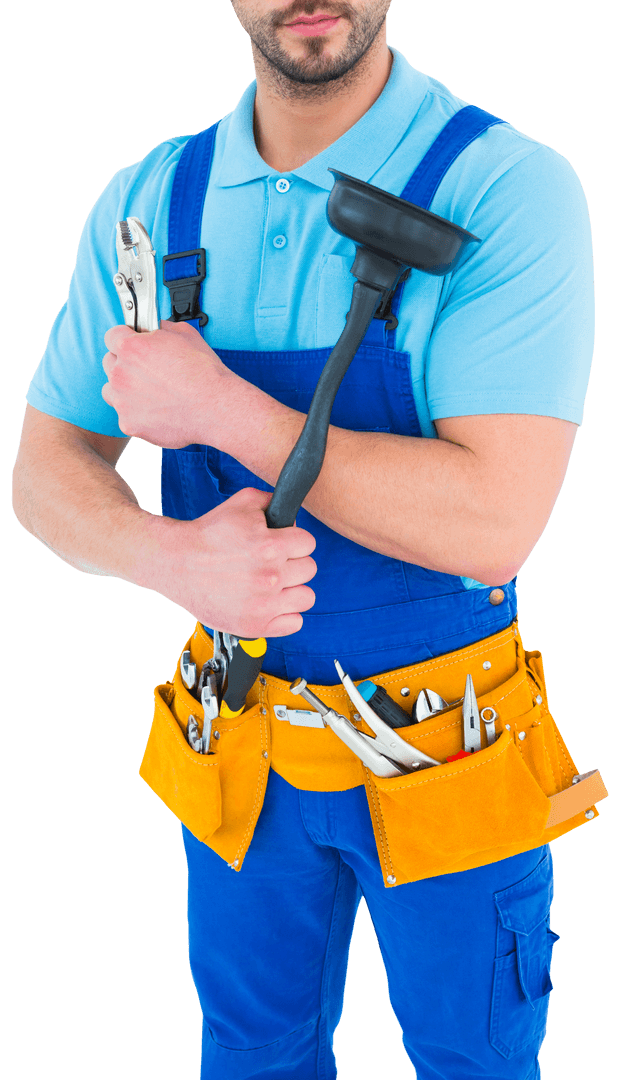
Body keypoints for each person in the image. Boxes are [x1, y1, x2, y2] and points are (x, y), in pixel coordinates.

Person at [12, 2, 597, 1077]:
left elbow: (494, 524)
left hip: (444, 755)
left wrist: (223, 409)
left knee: (474, 1060)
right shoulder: (151, 200)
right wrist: (164, 556)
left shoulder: (503, 187)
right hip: (238, 745)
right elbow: (43, 473)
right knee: (250, 1053)